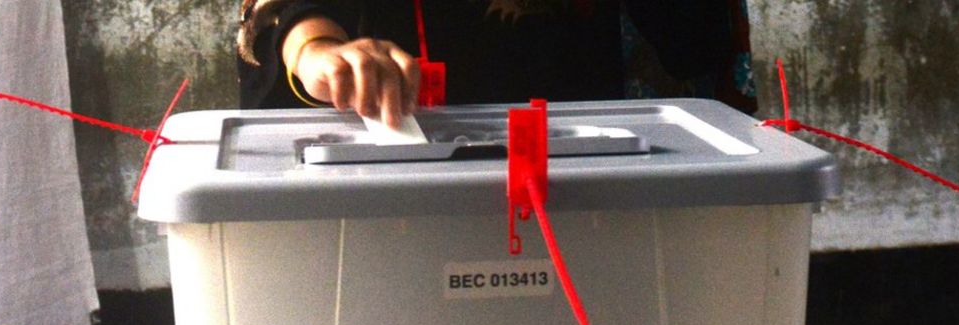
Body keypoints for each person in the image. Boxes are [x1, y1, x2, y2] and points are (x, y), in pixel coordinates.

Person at [237, 0, 756, 127]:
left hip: (584, 159)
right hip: (392, 160)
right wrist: (317, 49)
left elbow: (697, 46)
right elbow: (285, 16)